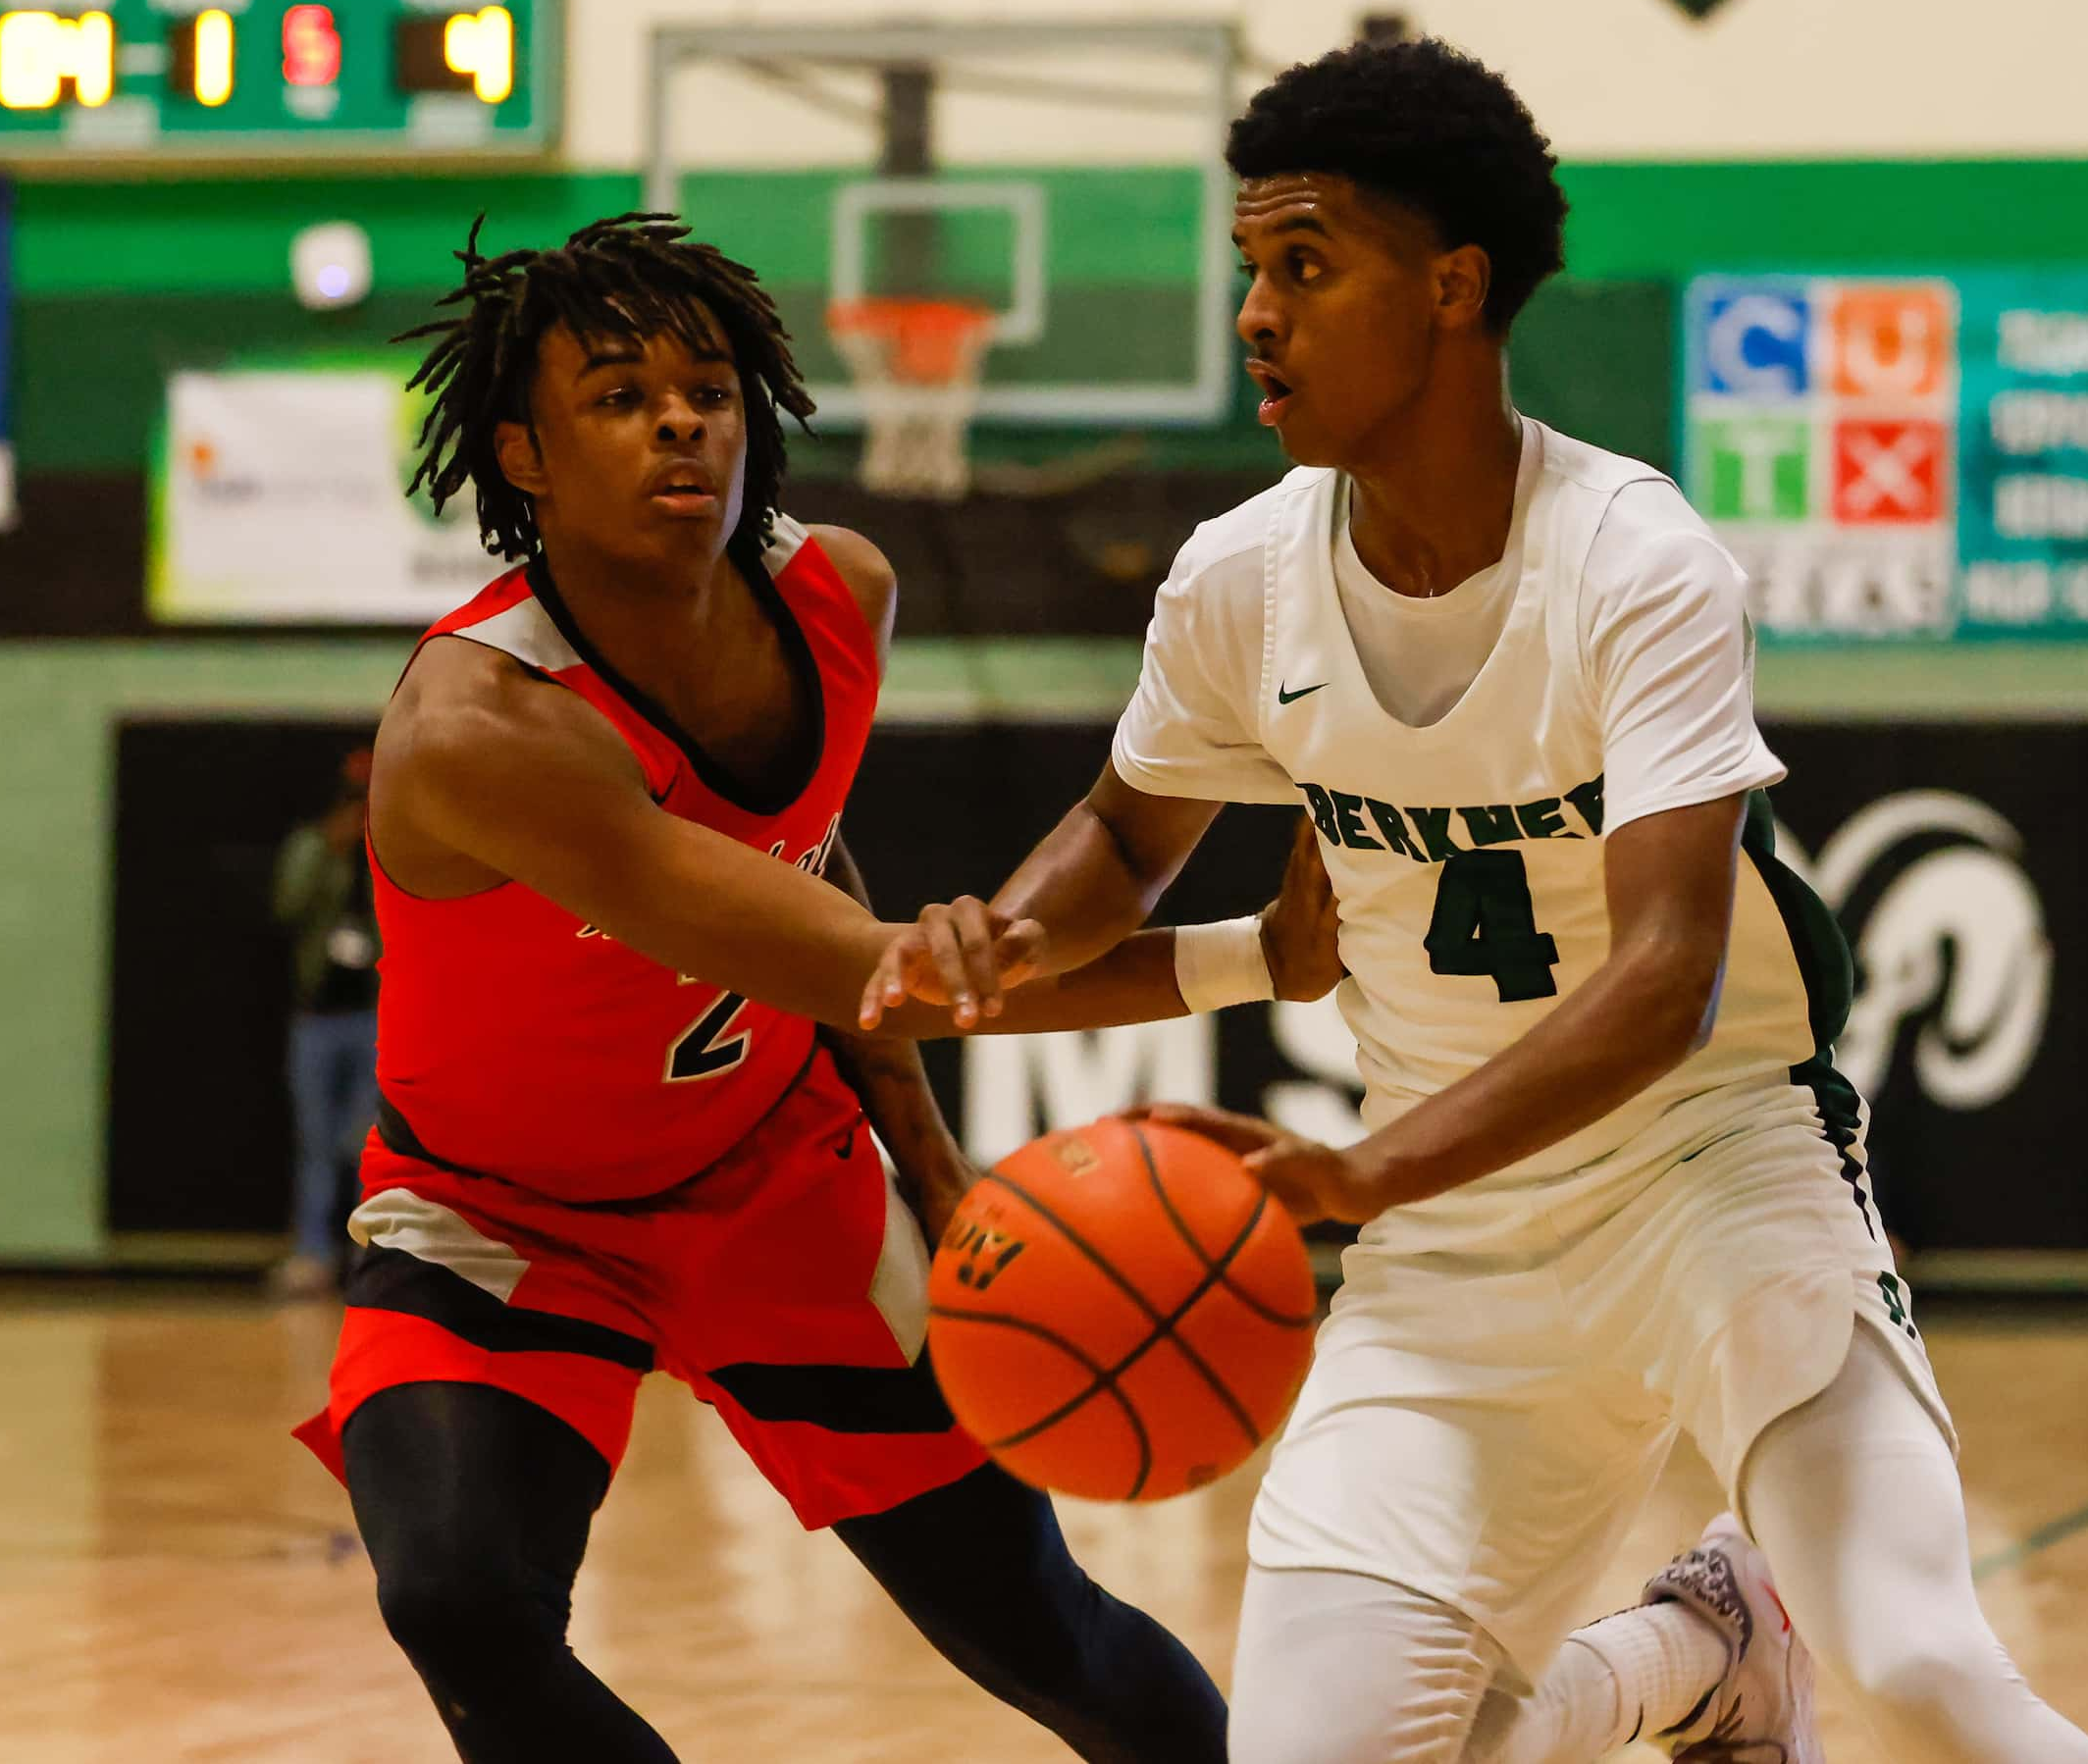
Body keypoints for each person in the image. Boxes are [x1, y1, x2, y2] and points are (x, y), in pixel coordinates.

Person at [864, 40, 2088, 1764]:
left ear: (1451, 288)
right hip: (1451, 1255)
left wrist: (1363, 1168)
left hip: (1711, 1173)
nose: (1253, 315)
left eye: (1303, 267)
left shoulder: (1632, 557)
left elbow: (1668, 972)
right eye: (1250, 268)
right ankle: (1705, 1645)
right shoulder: (1236, 581)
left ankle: (1764, 1630)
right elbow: (1119, 837)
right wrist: (1002, 936)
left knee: (1914, 1662)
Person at [288, 212, 1339, 1764]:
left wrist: (924, 1159)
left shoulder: (841, 594)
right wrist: (1254, 954)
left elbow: (817, 877)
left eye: (709, 387)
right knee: (459, 1602)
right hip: (499, 1217)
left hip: (771, 1183)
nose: (681, 421)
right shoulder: (479, 731)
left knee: (1038, 1626)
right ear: (522, 455)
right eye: (620, 393)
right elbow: (876, 966)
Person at [269, 749, 383, 1297]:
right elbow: (287, 907)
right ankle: (313, 1255)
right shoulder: (312, 847)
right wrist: (329, 855)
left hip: (376, 1018)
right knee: (315, 1142)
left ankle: (370, 1257)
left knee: (368, 1142)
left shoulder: (395, 851)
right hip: (318, 1019)